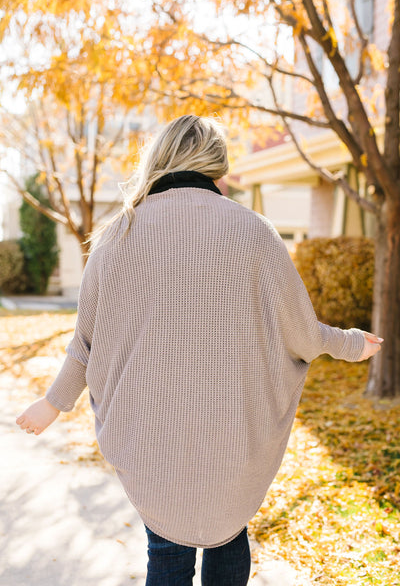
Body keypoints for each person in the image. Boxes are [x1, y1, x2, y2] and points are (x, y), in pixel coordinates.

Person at [17, 115, 382, 586]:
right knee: (230, 539)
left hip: (153, 441)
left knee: (166, 554)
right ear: (217, 167)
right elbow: (304, 335)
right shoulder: (254, 233)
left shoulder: (117, 236)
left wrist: (52, 404)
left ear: (160, 160)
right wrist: (353, 344)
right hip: (231, 439)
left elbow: (87, 342)